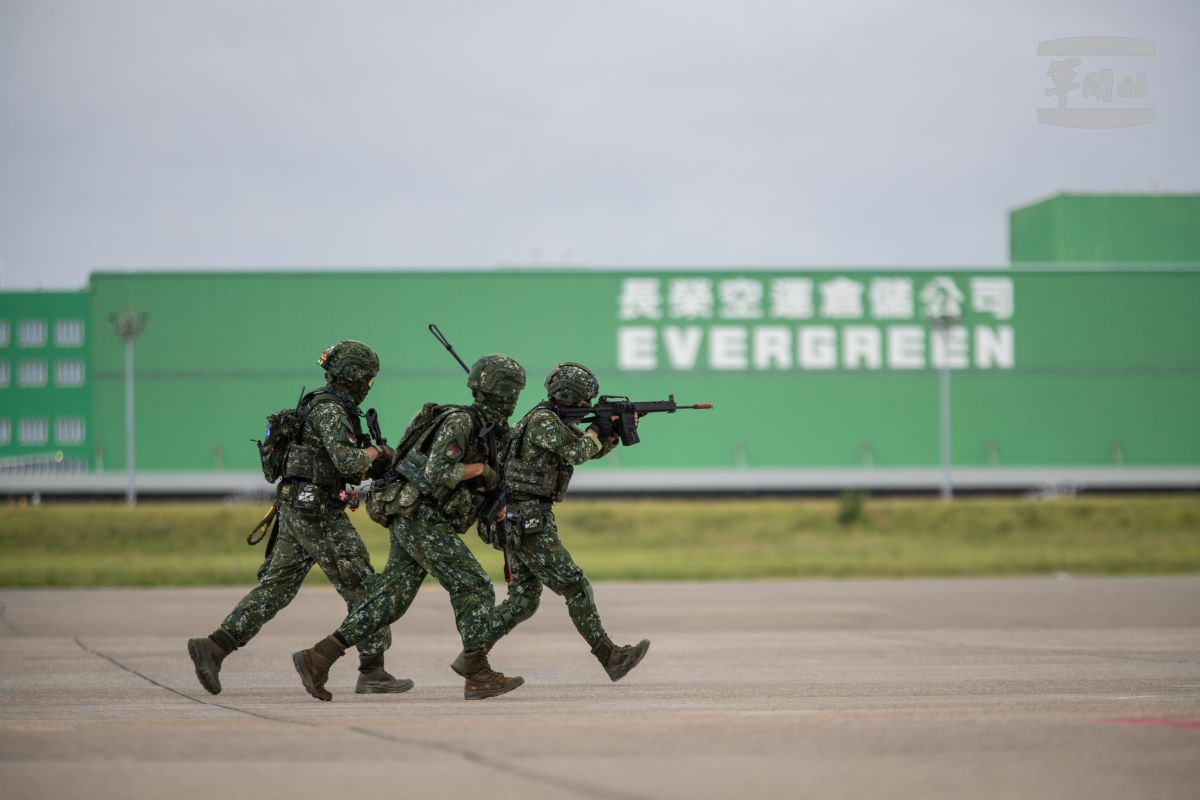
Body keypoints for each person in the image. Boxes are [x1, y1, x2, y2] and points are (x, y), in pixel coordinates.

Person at [292, 354, 528, 701]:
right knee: (474, 585)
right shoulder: (461, 423)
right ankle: (477, 673)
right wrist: (478, 470)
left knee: (391, 598)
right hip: (420, 513)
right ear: (505, 393)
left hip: (416, 513)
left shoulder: (490, 428)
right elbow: (436, 473)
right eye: (514, 393)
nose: (514, 399)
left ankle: (320, 656)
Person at [187, 340, 411, 696]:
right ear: (357, 377)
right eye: (368, 377)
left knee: (276, 588)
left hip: (297, 506)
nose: (370, 384)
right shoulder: (330, 410)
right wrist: (377, 451)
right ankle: (372, 671)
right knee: (364, 584)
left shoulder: (324, 406)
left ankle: (214, 647)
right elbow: (348, 462)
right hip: (316, 509)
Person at [470, 362, 649, 682]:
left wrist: (612, 433)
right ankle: (610, 656)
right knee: (575, 584)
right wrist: (597, 429)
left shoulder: (548, 419)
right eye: (583, 403)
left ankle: (471, 655)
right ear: (568, 397)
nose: (586, 409)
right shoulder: (543, 421)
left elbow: (584, 451)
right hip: (527, 518)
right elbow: (579, 451)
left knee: (523, 600)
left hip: (521, 516)